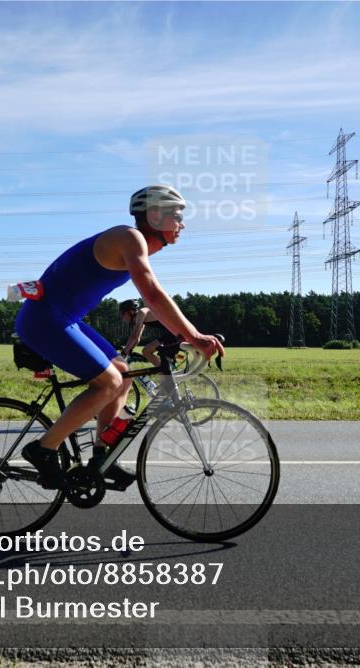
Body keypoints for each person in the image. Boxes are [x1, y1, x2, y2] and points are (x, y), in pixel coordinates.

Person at [13, 185, 225, 490]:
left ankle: (102, 456)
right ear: (155, 216)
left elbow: (154, 299)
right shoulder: (129, 238)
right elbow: (152, 294)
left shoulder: (133, 243)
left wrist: (187, 335)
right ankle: (43, 449)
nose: (182, 223)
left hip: (63, 318)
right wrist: (194, 335)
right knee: (109, 382)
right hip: (45, 319)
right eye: (177, 216)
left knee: (123, 373)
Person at [119, 299, 180, 367]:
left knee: (147, 352)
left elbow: (134, 336)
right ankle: (164, 368)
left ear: (131, 311)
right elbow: (137, 338)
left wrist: (124, 352)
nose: (122, 317)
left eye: (123, 313)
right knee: (146, 352)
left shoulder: (141, 313)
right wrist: (130, 350)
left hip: (176, 333)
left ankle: (166, 369)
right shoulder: (141, 318)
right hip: (172, 333)